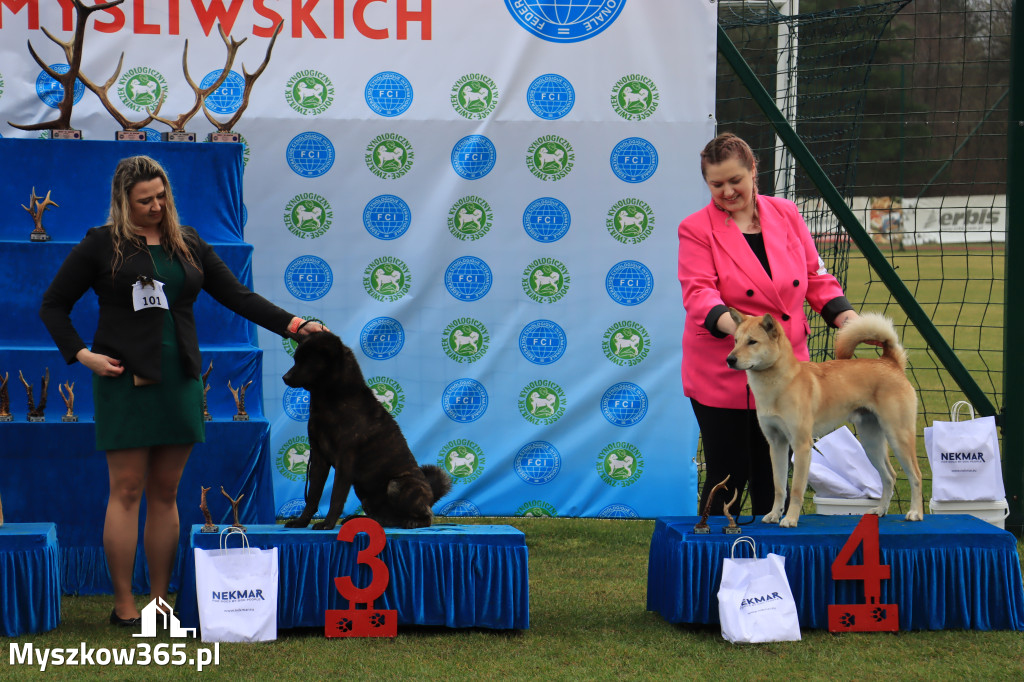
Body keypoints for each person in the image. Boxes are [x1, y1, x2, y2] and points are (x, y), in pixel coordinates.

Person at [39, 155, 328, 627]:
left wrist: (295, 325)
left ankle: (157, 602)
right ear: (123, 202)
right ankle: (123, 605)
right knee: (127, 490)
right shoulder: (100, 245)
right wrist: (82, 355)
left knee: (166, 492)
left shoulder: (187, 243)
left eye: (161, 196)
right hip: (123, 380)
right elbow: (52, 305)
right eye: (144, 200)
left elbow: (239, 296)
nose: (156, 206)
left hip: (180, 380)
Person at [677, 133, 857, 517]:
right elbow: (698, 295)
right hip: (724, 371)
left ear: (754, 170)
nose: (727, 191)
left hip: (787, 374)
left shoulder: (786, 213)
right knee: (726, 477)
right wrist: (741, 333)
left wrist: (847, 319)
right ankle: (714, 563)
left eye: (735, 181)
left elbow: (816, 276)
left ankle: (772, 566)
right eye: (716, 184)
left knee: (771, 478)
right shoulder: (695, 229)